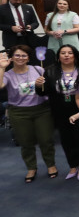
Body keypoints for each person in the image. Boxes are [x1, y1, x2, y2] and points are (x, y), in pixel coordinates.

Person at [0, 46, 56, 182]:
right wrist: (2, 68)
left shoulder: (38, 69)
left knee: (46, 140)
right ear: (11, 58)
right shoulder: (8, 74)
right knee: (25, 142)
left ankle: (51, 165)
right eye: (17, 55)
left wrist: (40, 86)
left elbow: (48, 89)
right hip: (19, 112)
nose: (20, 58)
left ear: (29, 58)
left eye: (24, 55)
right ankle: (31, 168)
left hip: (41, 109)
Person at [44, 45, 79, 180]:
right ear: (58, 56)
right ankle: (72, 166)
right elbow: (44, 92)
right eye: (63, 53)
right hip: (59, 108)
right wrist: (39, 86)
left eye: (70, 53)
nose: (66, 55)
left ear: (75, 55)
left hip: (78, 106)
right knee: (66, 139)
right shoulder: (50, 71)